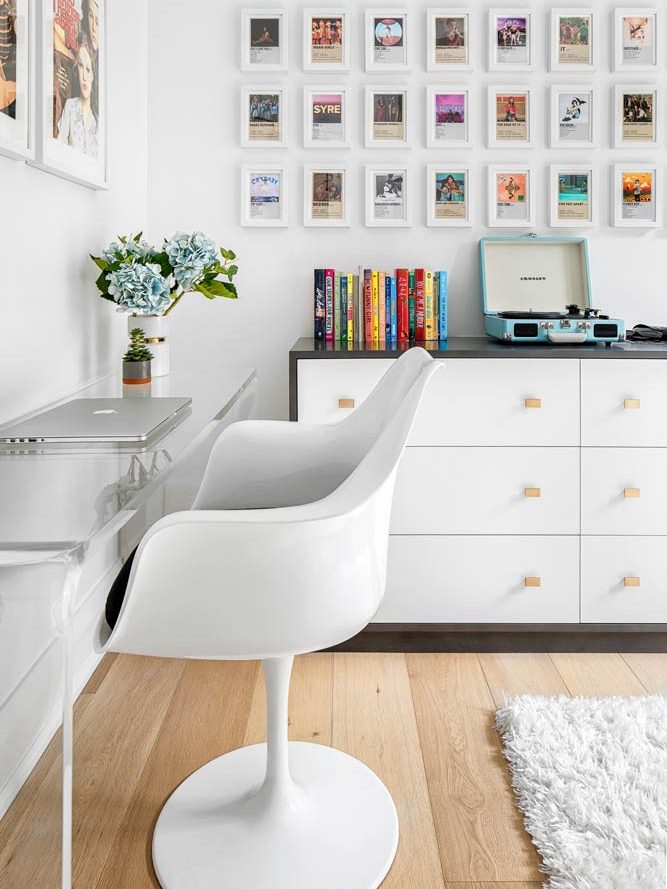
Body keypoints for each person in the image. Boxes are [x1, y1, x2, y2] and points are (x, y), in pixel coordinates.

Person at [57, 32, 98, 157]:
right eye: (80, 66)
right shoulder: (70, 107)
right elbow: (58, 149)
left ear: (92, 75)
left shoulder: (98, 122)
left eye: (88, 69)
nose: (84, 77)